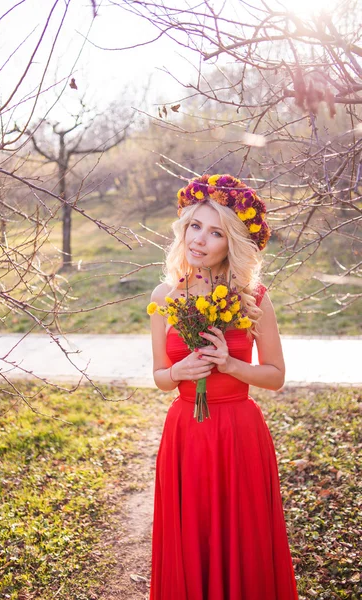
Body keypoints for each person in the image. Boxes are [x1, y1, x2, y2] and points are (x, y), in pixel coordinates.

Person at [148, 174, 299, 600]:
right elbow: (160, 376)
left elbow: (275, 375)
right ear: (183, 229)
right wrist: (180, 374)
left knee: (242, 537)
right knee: (192, 535)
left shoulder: (253, 298)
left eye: (215, 232)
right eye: (195, 226)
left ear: (231, 242)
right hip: (186, 435)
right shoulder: (165, 296)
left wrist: (230, 363)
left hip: (239, 434)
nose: (200, 240)